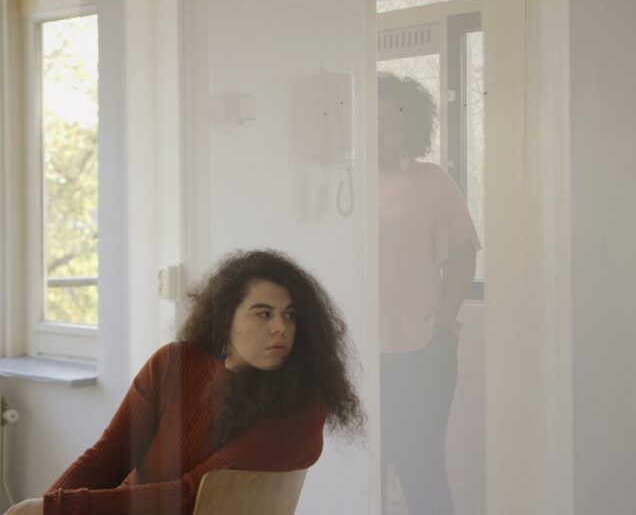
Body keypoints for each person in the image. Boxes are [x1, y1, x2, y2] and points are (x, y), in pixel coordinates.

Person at [5, 249, 363, 515]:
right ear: (225, 319)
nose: (280, 327)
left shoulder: (302, 408)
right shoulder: (175, 364)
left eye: (289, 316)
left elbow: (191, 496)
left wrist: (57, 509)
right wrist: (49, 505)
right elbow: (108, 456)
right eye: (263, 313)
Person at [378, 72, 480, 515]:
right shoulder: (339, 185)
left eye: (392, 121)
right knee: (363, 467)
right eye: (374, 119)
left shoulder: (432, 181)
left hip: (422, 351)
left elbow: (462, 256)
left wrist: (442, 322)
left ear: (411, 127)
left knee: (421, 468)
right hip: (357, 353)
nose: (381, 130)